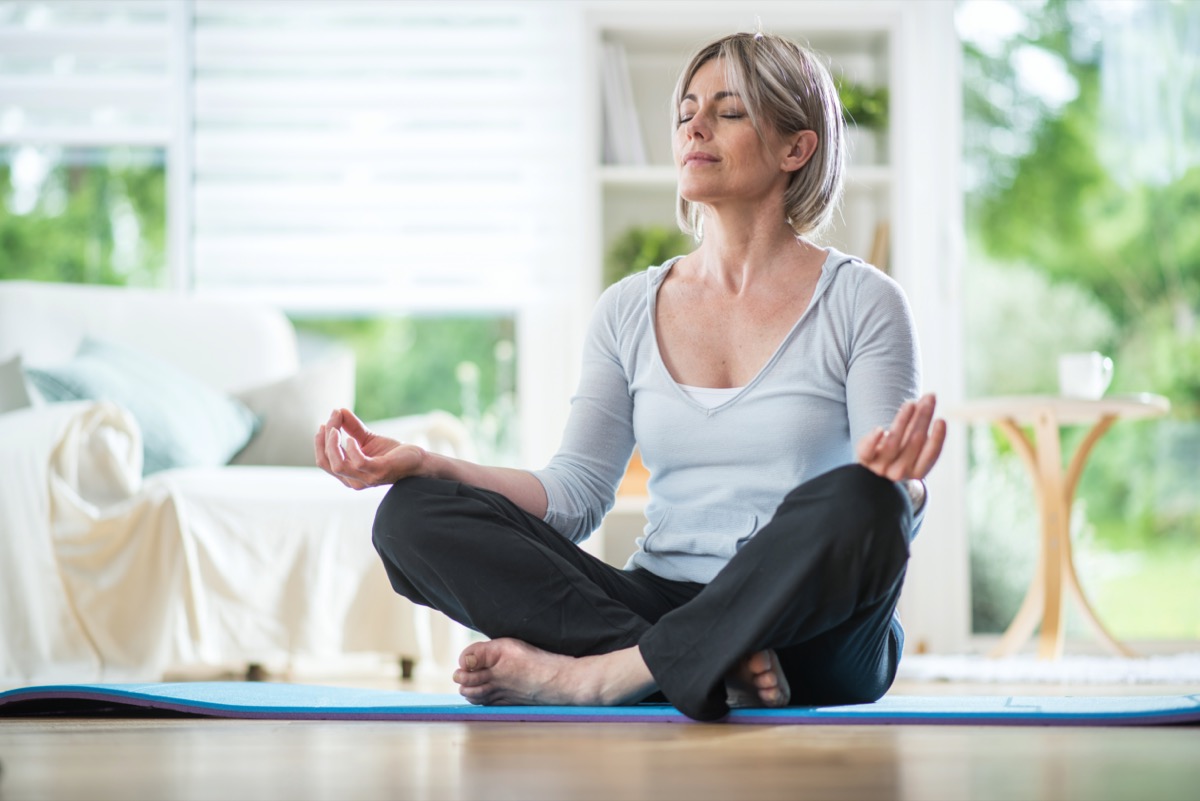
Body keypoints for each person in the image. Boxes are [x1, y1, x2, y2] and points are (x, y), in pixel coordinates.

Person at [315, 30, 946, 722]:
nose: (693, 127)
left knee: (870, 497)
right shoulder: (626, 309)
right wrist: (432, 464)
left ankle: (600, 677)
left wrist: (900, 481)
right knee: (412, 512)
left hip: (812, 632)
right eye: (685, 112)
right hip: (660, 598)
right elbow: (574, 495)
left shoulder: (864, 301)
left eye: (728, 112)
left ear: (797, 148)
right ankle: (698, 660)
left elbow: (880, 500)